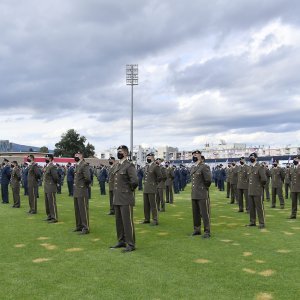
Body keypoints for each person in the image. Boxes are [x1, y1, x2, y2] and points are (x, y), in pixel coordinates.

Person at [110, 145, 138, 252]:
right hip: (117, 197)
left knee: (127, 222)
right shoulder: (118, 165)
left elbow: (134, 181)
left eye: (120, 151)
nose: (118, 153)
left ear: (126, 153)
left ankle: (131, 244)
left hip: (125, 197)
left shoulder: (129, 165)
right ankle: (121, 241)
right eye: (118, 151)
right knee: (119, 221)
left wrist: (127, 190)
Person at [190, 151, 212, 238]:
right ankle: (197, 230)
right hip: (194, 193)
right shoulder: (193, 167)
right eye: (193, 155)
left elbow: (208, 180)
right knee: (195, 213)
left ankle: (207, 231)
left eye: (196, 155)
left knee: (204, 213)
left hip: (202, 193)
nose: (194, 156)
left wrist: (204, 188)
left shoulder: (204, 167)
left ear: (200, 156)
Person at [246, 153, 267, 229]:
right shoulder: (250, 167)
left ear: (256, 158)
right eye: (250, 157)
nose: (251, 158)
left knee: (259, 207)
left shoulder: (260, 167)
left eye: (252, 157)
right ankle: (252, 222)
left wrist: (259, 186)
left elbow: (264, 179)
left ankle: (262, 223)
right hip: (250, 190)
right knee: (251, 207)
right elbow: (248, 179)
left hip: (257, 190)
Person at [73, 152, 91, 234]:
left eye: (78, 155)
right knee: (77, 209)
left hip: (82, 190)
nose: (76, 156)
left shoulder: (84, 165)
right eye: (75, 155)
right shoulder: (77, 165)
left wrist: (83, 186)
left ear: (82, 156)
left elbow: (87, 178)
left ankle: (85, 227)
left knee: (83, 209)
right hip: (76, 190)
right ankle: (79, 226)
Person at [141, 153, 162, 226]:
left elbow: (160, 177)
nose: (148, 158)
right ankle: (147, 219)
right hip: (146, 188)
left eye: (149, 157)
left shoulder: (155, 166)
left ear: (153, 158)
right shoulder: (146, 166)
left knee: (153, 205)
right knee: (146, 205)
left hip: (152, 188)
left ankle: (155, 220)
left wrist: (154, 183)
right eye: (147, 157)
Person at [43, 154, 59, 223]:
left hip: (51, 186)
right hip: (47, 186)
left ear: (50, 158)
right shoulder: (47, 166)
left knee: (51, 202)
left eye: (46, 157)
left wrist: (54, 184)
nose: (45, 158)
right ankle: (49, 215)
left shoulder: (52, 166)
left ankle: (54, 217)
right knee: (47, 202)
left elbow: (55, 177)